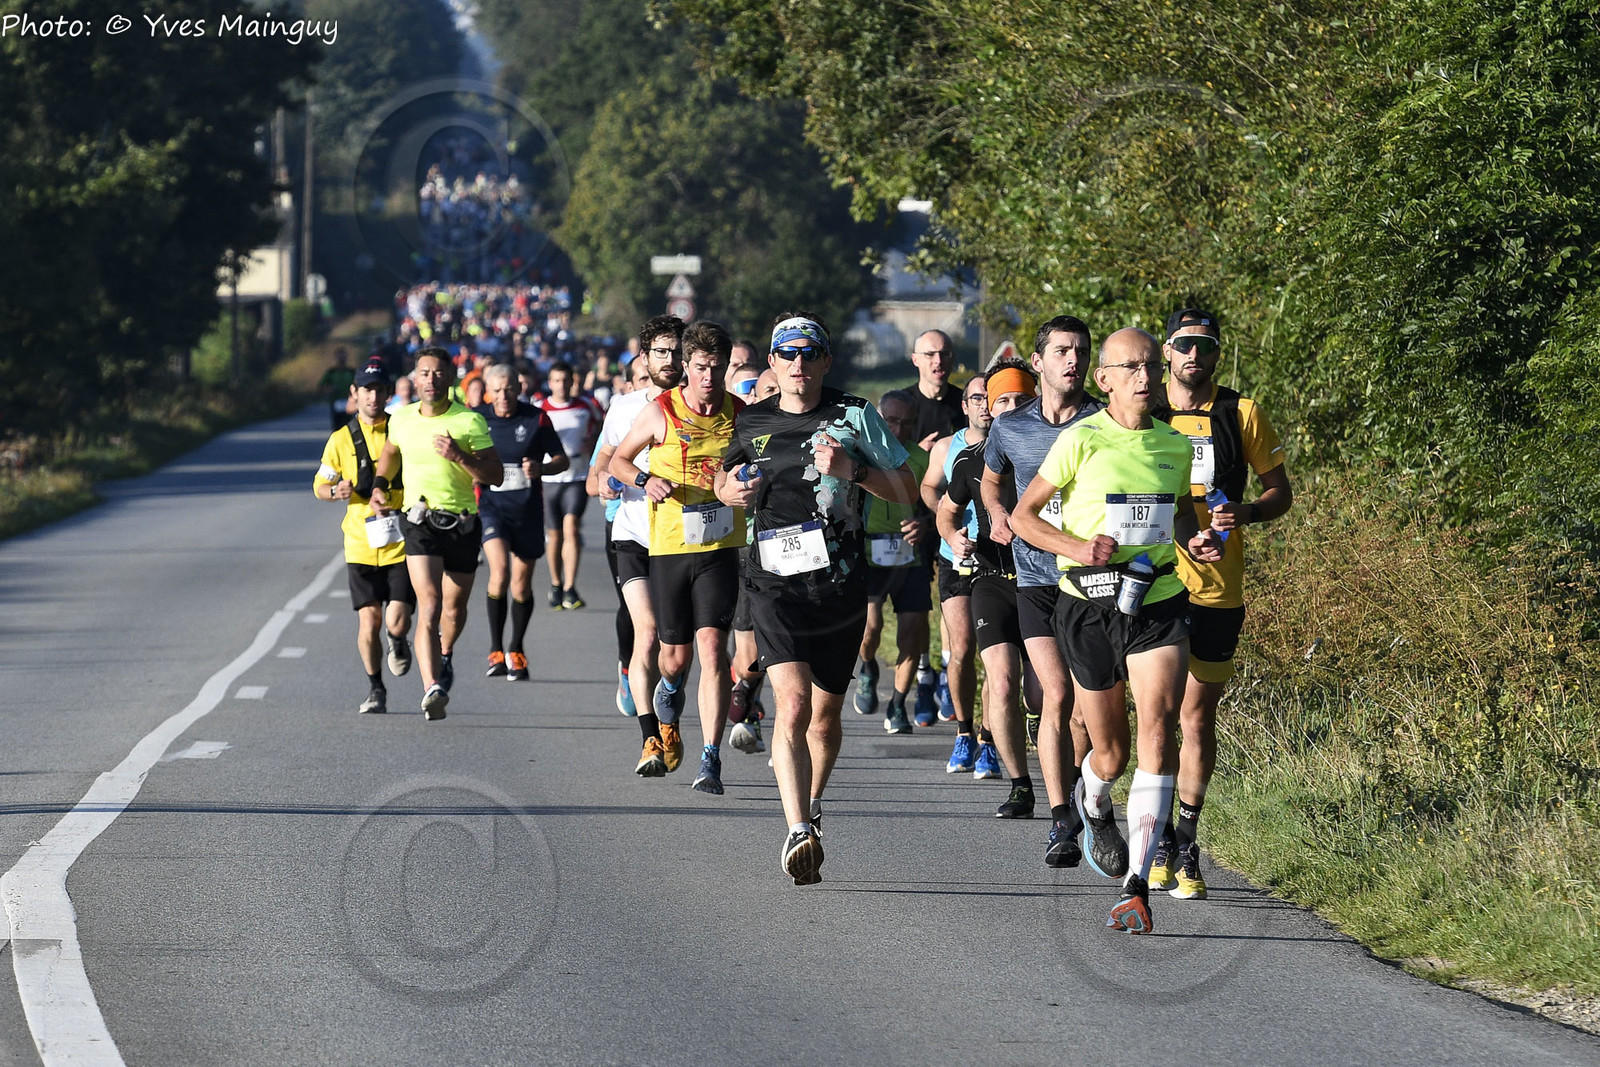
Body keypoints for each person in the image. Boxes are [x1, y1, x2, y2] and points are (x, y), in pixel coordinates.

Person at [1010, 327, 1222, 934]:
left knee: (1158, 727)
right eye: (1131, 367)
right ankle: (1095, 799)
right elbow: (1024, 517)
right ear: (1103, 379)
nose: (1145, 376)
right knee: (1112, 752)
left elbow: (1180, 517)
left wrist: (1195, 542)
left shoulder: (1174, 445)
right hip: (1087, 605)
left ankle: (1137, 884)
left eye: (1151, 365)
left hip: (1157, 600)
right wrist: (1080, 548)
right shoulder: (1081, 438)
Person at [717, 312, 917, 886]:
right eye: (788, 354)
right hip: (773, 582)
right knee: (794, 703)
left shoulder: (855, 414)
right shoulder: (751, 419)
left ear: (826, 361)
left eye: (809, 353)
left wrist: (853, 470)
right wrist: (731, 491)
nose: (798, 363)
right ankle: (797, 829)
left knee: (825, 722)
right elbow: (722, 483)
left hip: (841, 583)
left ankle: (813, 804)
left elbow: (906, 490)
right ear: (773, 363)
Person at [1147, 308, 1293, 900]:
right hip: (1154, 581)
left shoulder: (1240, 412)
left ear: (1216, 354)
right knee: (1156, 716)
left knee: (1195, 717)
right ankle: (1156, 838)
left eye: (1206, 346)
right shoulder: (1143, 409)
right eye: (1184, 344)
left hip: (1217, 586)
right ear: (1166, 350)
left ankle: (1186, 842)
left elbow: (1280, 491)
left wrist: (1248, 512)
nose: (1194, 355)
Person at [982, 317, 1104, 867]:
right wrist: (997, 512)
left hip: (1090, 582)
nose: (1072, 360)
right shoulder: (1011, 427)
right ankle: (1060, 821)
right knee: (1055, 695)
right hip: (1034, 578)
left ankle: (1081, 794)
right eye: (1061, 351)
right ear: (1038, 362)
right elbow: (991, 479)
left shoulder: (1104, 422)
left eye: (1081, 351)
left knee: (1083, 708)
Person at [609, 321, 745, 795]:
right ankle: (667, 692)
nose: (709, 376)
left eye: (718, 368)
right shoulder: (659, 411)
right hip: (669, 548)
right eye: (701, 367)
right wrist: (645, 481)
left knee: (713, 650)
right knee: (674, 657)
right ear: (686, 366)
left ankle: (710, 758)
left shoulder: (740, 413)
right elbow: (618, 461)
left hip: (720, 548)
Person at [369, 346, 504, 720]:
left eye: (438, 372)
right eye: (424, 373)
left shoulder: (469, 422)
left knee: (453, 609)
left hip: (462, 523)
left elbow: (495, 474)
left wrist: (460, 456)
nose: (431, 379)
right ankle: (432, 687)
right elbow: (390, 452)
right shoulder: (401, 418)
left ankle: (445, 654)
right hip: (420, 520)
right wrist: (379, 484)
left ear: (450, 378)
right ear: (415, 379)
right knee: (428, 604)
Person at [940, 365, 1039, 814]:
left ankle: (1053, 752)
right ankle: (1019, 785)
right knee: (1000, 683)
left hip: (1044, 582)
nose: (1012, 409)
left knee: (1042, 695)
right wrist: (953, 536)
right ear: (990, 409)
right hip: (991, 580)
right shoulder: (970, 460)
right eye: (1003, 401)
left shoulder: (1056, 452)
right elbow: (946, 511)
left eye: (1022, 400)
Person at [592, 316, 685, 775]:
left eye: (677, 352)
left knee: (676, 650)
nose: (670, 360)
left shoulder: (705, 406)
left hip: (685, 539)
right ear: (645, 358)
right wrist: (605, 480)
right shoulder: (624, 407)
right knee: (645, 633)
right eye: (661, 352)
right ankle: (650, 738)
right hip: (633, 534)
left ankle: (668, 711)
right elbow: (604, 464)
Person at [312, 359, 415, 715]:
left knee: (396, 619)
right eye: (366, 390)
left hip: (401, 540)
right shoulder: (340, 439)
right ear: (354, 393)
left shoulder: (402, 430)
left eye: (379, 390)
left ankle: (398, 640)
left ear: (388, 394)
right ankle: (375, 688)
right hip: (360, 542)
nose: (373, 397)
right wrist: (334, 491)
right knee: (369, 622)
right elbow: (320, 485)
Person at [475, 363, 568, 681]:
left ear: (519, 388)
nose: (503, 396)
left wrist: (541, 469)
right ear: (488, 391)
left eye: (509, 389)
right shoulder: (477, 419)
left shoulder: (536, 418)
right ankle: (495, 649)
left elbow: (561, 460)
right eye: (497, 390)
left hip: (527, 510)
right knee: (499, 571)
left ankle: (516, 648)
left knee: (521, 584)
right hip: (492, 508)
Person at [919, 373, 993, 767]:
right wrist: (948, 519)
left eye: (991, 397)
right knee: (962, 648)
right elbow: (929, 487)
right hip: (956, 557)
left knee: (997, 656)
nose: (985, 404)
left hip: (999, 558)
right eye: (977, 398)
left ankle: (990, 738)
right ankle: (964, 734)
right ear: (964, 406)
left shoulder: (1011, 444)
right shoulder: (947, 447)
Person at [855, 390, 935, 735]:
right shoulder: (860, 454)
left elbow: (938, 504)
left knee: (911, 634)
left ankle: (898, 704)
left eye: (906, 423)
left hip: (909, 555)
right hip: (869, 553)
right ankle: (868, 665)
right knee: (870, 627)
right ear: (878, 418)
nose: (898, 430)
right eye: (891, 421)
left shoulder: (920, 459)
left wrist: (925, 523)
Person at [726, 367, 781, 755]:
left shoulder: (806, 430)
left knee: (786, 646)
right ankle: (746, 690)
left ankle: (785, 736)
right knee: (748, 654)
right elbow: (718, 479)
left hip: (793, 551)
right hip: (745, 548)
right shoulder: (743, 433)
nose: (774, 395)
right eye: (767, 390)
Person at [537, 361, 602, 610]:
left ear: (572, 381)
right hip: (549, 479)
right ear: (550, 383)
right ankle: (556, 583)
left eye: (566, 380)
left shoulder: (586, 406)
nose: (561, 385)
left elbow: (602, 427)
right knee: (554, 535)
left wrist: (592, 442)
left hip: (577, 477)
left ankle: (570, 587)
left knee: (572, 528)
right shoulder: (540, 409)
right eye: (556, 381)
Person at [319, 347, 357, 432]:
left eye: (343, 356)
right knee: (337, 425)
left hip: (349, 402)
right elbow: (321, 386)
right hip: (336, 402)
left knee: (350, 425)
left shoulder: (351, 372)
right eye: (340, 356)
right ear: (336, 358)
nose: (341, 359)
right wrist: (329, 389)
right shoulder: (331, 372)